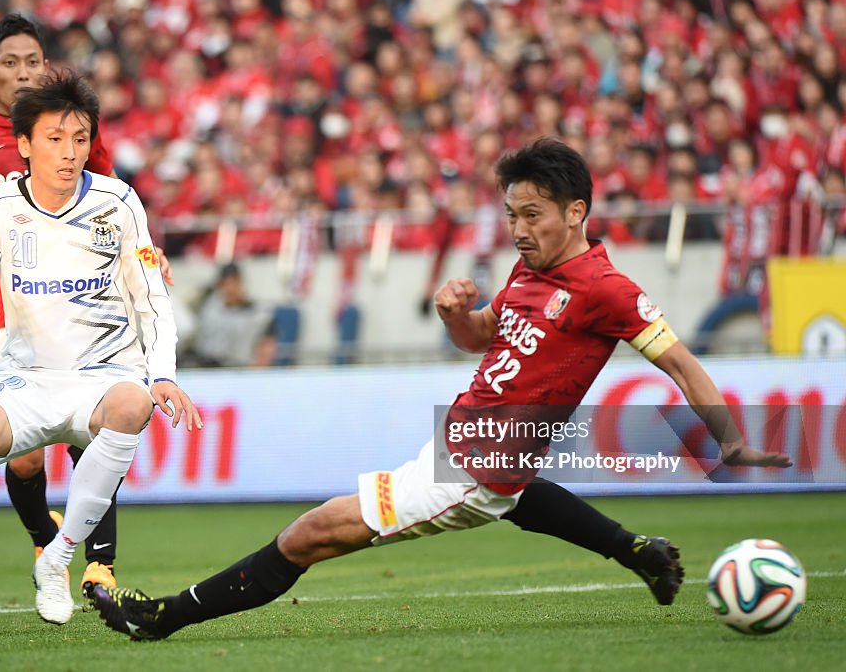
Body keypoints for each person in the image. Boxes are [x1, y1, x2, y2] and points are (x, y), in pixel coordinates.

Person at [90, 138, 791, 641]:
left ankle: (165, 616)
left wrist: (730, 440)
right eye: (512, 214)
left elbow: (683, 365)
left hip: (475, 465)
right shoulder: (530, 270)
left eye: (534, 215)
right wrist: (458, 313)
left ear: (576, 211)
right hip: (470, 439)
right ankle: (636, 549)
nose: (519, 230)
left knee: (311, 532)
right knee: (514, 497)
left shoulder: (607, 289)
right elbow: (486, 337)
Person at [0, 71, 201, 637]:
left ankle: (59, 555)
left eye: (79, 139)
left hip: (104, 374)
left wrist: (164, 374)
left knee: (132, 404)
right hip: (27, 375)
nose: (69, 153)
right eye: (54, 139)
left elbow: (151, 296)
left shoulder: (118, 202)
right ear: (24, 145)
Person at [191, 262, 277, 367]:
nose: (230, 288)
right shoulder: (208, 309)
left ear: (241, 282)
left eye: (234, 282)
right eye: (225, 284)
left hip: (241, 369)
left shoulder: (259, 314)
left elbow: (267, 349)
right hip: (208, 368)